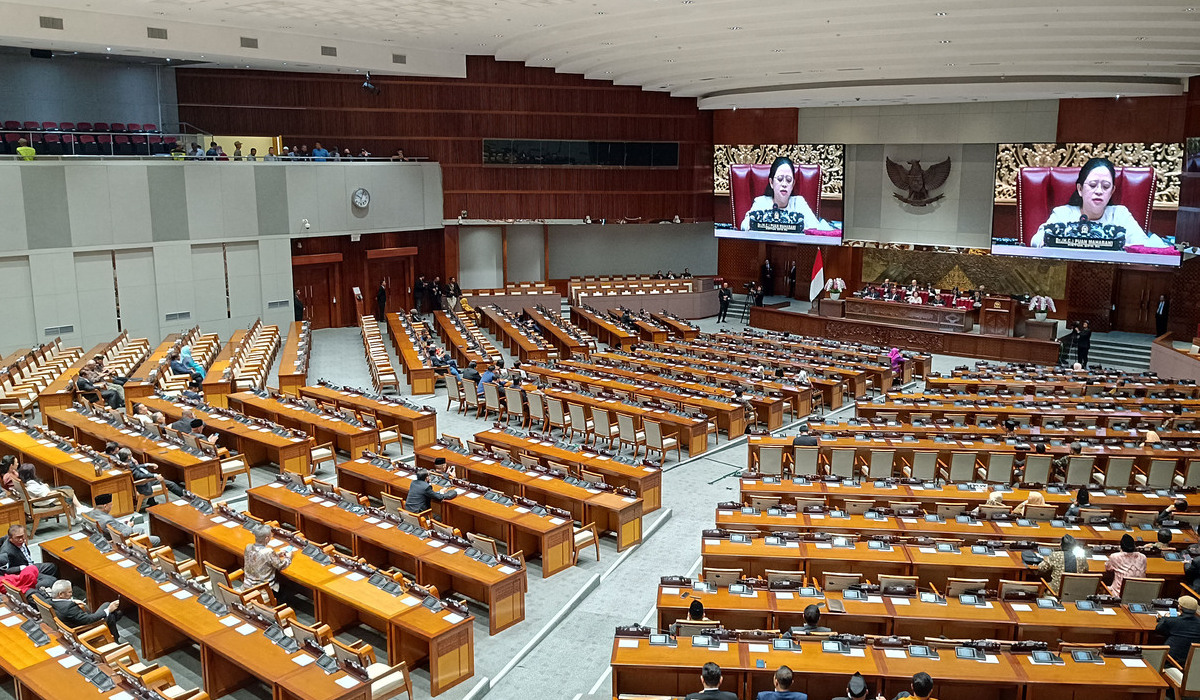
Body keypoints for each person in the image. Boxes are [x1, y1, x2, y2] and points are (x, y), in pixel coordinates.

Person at [1030, 157, 1169, 250]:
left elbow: (1143, 246)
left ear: (1112, 191)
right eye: (1092, 185)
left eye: (1106, 186)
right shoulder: (1063, 214)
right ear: (1080, 189)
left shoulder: (1120, 215)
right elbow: (1036, 241)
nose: (1099, 191)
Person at [739, 156, 834, 233]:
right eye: (780, 179)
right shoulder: (761, 202)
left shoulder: (799, 203)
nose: (784, 184)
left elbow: (815, 229)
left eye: (788, 180)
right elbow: (744, 226)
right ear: (771, 183)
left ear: (793, 184)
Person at [48, 579, 121, 636]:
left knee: (108, 608)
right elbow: (89, 620)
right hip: (84, 629)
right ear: (61, 594)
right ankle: (115, 639)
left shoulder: (49, 601)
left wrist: (71, 601)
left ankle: (115, 616)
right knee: (108, 611)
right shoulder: (69, 608)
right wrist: (108, 610)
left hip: (70, 623)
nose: (71, 594)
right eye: (69, 592)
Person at [17, 463, 86, 518]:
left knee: (67, 488)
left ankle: (77, 512)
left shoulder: (26, 482)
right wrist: (48, 488)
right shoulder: (31, 485)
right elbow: (44, 494)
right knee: (68, 493)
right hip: (46, 502)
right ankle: (78, 510)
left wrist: (45, 486)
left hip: (45, 498)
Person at [92, 493, 162, 546]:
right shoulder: (107, 520)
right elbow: (122, 534)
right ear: (105, 506)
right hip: (123, 539)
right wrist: (129, 526)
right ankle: (141, 547)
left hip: (115, 532)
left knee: (140, 530)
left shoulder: (93, 513)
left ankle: (142, 544)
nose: (112, 506)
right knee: (156, 539)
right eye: (111, 505)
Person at [243, 524, 294, 592]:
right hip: (263, 589)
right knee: (289, 588)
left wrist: (276, 555)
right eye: (270, 535)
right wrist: (288, 557)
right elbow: (281, 565)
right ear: (266, 538)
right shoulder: (268, 552)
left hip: (248, 586)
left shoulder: (248, 547)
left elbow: (259, 557)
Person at [1156, 595, 1200, 667]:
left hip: (1169, 661)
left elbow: (1159, 628)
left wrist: (1165, 618)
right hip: (1190, 663)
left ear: (1180, 607)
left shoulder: (1172, 621)